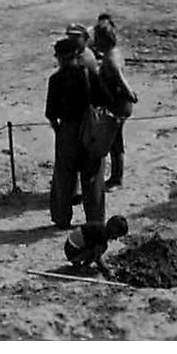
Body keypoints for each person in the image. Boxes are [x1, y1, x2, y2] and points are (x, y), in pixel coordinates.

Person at [45, 37, 104, 229]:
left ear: (60, 58)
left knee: (64, 177)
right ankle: (95, 221)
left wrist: (59, 131)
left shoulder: (55, 80)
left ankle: (62, 219)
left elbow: (51, 114)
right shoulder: (90, 75)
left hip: (67, 130)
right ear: (78, 55)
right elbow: (106, 100)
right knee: (93, 177)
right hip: (90, 129)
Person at [93, 19, 137, 189]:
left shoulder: (110, 60)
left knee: (114, 143)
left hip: (117, 105)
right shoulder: (115, 52)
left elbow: (120, 79)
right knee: (115, 141)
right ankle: (116, 176)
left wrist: (130, 94)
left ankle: (116, 179)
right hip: (120, 103)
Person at [63, 215, 128, 277]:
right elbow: (97, 257)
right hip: (72, 252)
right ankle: (80, 266)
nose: (116, 239)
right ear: (113, 231)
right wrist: (107, 271)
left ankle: (83, 265)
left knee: (98, 249)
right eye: (117, 235)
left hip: (71, 248)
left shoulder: (101, 227)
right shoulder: (101, 235)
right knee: (99, 249)